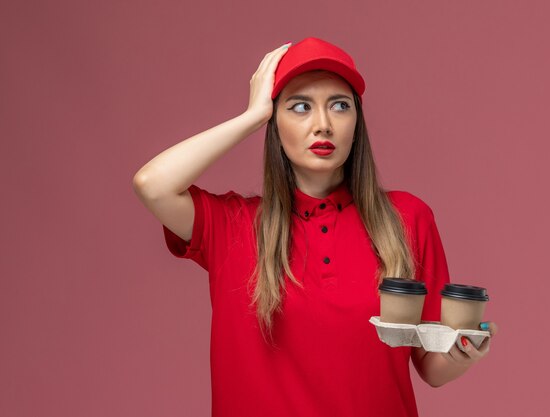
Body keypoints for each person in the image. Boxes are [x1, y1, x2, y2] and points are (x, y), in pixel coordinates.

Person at [132, 37, 498, 417]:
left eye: (340, 106)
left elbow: (432, 368)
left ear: (357, 122)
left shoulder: (407, 218)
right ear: (275, 122)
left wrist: (463, 353)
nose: (322, 125)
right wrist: (251, 117)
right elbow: (152, 184)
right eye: (300, 107)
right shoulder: (233, 225)